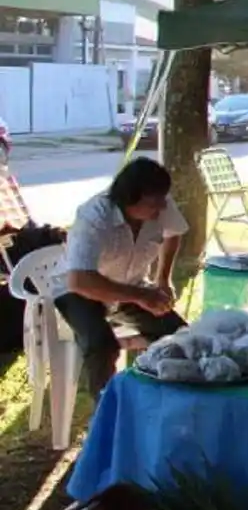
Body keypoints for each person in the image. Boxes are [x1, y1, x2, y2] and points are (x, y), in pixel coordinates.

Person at [59, 158, 189, 394]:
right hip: (80, 292)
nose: (162, 208)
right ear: (130, 199)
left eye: (163, 199)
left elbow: (174, 233)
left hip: (130, 287)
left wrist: (163, 279)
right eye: (154, 203)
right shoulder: (94, 217)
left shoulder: (160, 203)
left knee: (180, 335)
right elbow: (78, 280)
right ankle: (107, 410)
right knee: (102, 345)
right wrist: (140, 296)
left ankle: (165, 395)